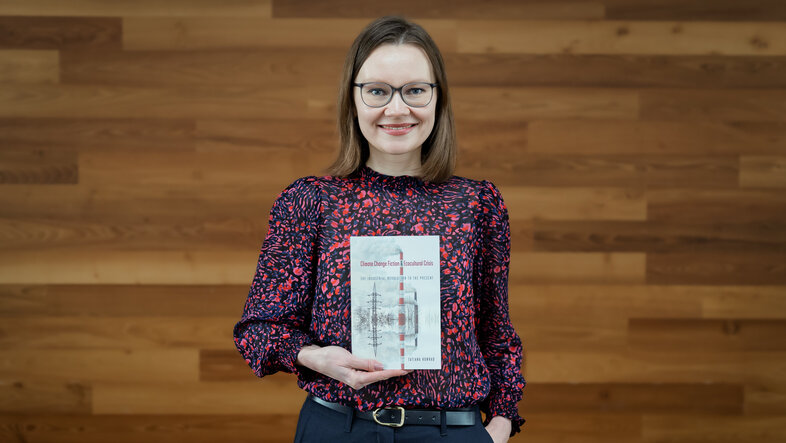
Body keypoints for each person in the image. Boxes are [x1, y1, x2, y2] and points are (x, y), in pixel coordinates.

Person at [233, 16, 525, 443]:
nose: (397, 109)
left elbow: (496, 332)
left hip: (451, 432)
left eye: (415, 90)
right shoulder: (311, 201)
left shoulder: (478, 204)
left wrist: (500, 422)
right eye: (377, 91)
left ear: (438, 99)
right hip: (338, 428)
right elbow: (258, 331)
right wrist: (316, 358)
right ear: (353, 101)